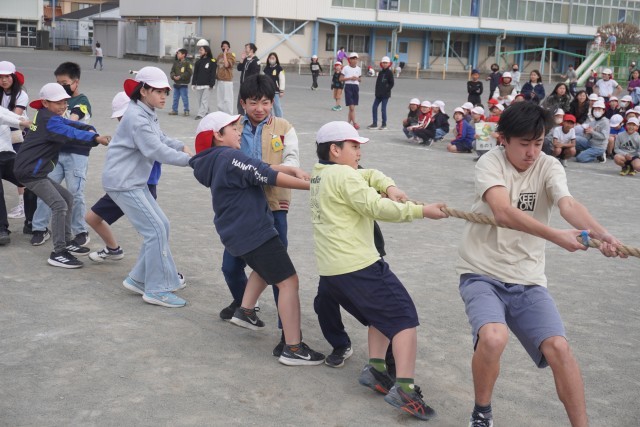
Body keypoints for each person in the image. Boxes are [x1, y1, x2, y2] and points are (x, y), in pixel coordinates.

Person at [458, 101, 626, 427]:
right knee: (493, 337)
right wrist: (556, 236)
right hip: (481, 272)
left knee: (559, 347)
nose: (532, 152)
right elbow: (503, 211)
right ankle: (482, 412)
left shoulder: (549, 165)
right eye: (524, 144)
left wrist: (602, 234)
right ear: (503, 139)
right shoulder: (490, 162)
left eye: (538, 143)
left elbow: (568, 204)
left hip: (528, 276)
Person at [310, 120, 447, 420]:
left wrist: (389, 186)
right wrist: (421, 211)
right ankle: (405, 389)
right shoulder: (344, 176)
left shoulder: (322, 174)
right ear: (335, 150)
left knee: (381, 316)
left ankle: (376, 370)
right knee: (404, 317)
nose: (359, 152)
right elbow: (376, 208)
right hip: (358, 266)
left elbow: (369, 174)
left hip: (333, 270)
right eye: (353, 146)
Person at [190, 111, 324, 366]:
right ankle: (293, 347)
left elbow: (255, 169)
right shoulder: (229, 156)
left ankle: (246, 310)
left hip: (236, 233)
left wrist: (289, 168)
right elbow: (266, 175)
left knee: (264, 270)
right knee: (288, 282)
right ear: (217, 135)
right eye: (232, 128)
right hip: (254, 232)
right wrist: (317, 186)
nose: (238, 131)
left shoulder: (215, 160)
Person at [216, 75, 302, 357]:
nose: (260, 108)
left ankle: (286, 332)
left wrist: (259, 170)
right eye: (253, 102)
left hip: (275, 206)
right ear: (243, 102)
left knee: (279, 272)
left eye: (266, 102)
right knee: (230, 266)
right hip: (243, 209)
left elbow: (292, 162)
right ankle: (244, 306)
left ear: (272, 101)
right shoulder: (233, 128)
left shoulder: (284, 128)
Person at [102, 66, 192, 308]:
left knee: (162, 225)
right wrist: (190, 161)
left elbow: (160, 138)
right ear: (143, 90)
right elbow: (155, 149)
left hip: (133, 181)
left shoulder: (145, 111)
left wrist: (180, 146)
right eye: (158, 91)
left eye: (166, 92)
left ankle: (139, 279)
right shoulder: (137, 117)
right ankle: (156, 289)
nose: (164, 96)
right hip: (123, 183)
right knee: (155, 230)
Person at [13, 83, 110, 267]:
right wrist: (94, 138)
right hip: (30, 172)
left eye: (65, 102)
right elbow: (69, 132)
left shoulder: (45, 115)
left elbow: (69, 123)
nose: (63, 106)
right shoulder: (49, 120)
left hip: (34, 170)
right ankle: (58, 252)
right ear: (45, 103)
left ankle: (67, 240)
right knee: (59, 205)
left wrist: (88, 128)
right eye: (58, 102)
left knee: (67, 198)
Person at [85, 92, 162, 263]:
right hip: (123, 185)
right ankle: (113, 249)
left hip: (140, 186)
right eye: (119, 118)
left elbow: (157, 150)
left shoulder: (143, 127)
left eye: (123, 116)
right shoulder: (132, 128)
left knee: (153, 231)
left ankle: (159, 268)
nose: (121, 120)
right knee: (92, 218)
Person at [31, 62, 94, 247]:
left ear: (76, 82)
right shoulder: (52, 102)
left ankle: (80, 231)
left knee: (75, 193)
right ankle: (40, 228)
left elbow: (72, 120)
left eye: (64, 83)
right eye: (57, 83)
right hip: (55, 154)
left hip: (77, 154)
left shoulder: (81, 101)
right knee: (45, 189)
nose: (60, 86)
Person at [0, 61, 34, 227]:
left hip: (18, 136)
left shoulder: (21, 94)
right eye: (0, 77)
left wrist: (21, 122)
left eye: (7, 76)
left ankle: (23, 205)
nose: (4, 80)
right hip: (4, 138)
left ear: (13, 76)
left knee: (22, 172)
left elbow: (13, 116)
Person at [0, 104, 31, 245]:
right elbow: (2, 118)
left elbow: (8, 114)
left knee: (33, 181)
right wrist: (22, 123)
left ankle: (32, 223)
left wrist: (23, 120)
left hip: (8, 155)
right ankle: (2, 229)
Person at [191, 41, 217, 120]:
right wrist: (193, 83)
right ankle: (207, 112)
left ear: (206, 52)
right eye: (199, 50)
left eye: (201, 50)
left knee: (204, 100)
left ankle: (200, 114)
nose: (199, 51)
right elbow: (195, 73)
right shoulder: (198, 62)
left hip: (208, 85)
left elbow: (213, 73)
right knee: (200, 100)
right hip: (199, 84)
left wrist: (212, 83)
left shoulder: (212, 61)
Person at [368, 56, 394, 130]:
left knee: (383, 109)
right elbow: (377, 83)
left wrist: (386, 90)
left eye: (386, 63)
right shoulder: (380, 72)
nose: (385, 64)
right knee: (374, 107)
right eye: (383, 63)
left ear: (389, 64)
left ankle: (384, 124)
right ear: (381, 64)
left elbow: (391, 83)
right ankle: (375, 123)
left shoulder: (390, 73)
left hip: (385, 95)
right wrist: (376, 92)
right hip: (378, 94)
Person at [236, 43, 260, 115]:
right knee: (240, 103)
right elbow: (239, 68)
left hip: (250, 86)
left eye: (247, 48)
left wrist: (251, 85)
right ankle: (241, 117)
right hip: (242, 85)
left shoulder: (256, 61)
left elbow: (255, 74)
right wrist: (242, 59)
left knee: (249, 103)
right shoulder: (246, 59)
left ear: (251, 50)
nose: (245, 50)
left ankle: (249, 117)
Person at [340, 52, 362, 130]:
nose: (354, 60)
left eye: (356, 59)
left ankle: (348, 123)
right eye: (353, 59)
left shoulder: (359, 69)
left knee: (352, 108)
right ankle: (354, 123)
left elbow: (360, 79)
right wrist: (350, 78)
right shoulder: (345, 68)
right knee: (351, 107)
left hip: (355, 87)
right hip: (348, 87)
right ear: (350, 60)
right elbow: (340, 79)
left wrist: (357, 78)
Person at [169, 49, 192, 116]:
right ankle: (174, 110)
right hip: (176, 83)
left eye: (179, 53)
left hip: (183, 84)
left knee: (184, 98)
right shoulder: (176, 62)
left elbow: (189, 73)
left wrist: (180, 77)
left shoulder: (188, 63)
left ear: (183, 55)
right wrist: (173, 76)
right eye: (177, 53)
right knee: (175, 98)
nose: (177, 55)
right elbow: (172, 71)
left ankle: (186, 110)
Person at [263, 52, 285, 117]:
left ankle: (280, 119)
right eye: (270, 58)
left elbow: (282, 80)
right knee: (268, 106)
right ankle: (269, 119)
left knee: (277, 106)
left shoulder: (279, 68)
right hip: (267, 91)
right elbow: (263, 79)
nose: (271, 59)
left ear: (276, 59)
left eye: (273, 58)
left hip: (275, 91)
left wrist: (281, 90)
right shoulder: (266, 68)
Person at [216, 40, 235, 114]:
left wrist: (225, 54)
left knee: (227, 99)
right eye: (223, 46)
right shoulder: (219, 56)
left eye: (226, 46)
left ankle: (229, 114)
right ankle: (221, 113)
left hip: (227, 80)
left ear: (229, 48)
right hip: (219, 80)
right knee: (220, 99)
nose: (224, 47)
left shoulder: (231, 56)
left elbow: (227, 65)